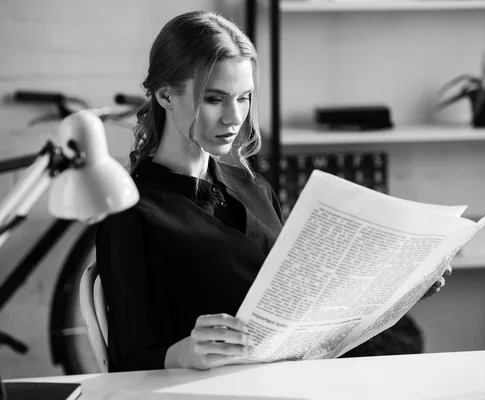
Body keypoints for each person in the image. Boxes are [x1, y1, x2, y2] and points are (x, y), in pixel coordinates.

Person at [95, 10, 451, 373]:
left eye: (244, 98)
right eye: (214, 99)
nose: (235, 118)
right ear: (166, 95)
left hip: (288, 371)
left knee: (402, 339)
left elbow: (300, 301)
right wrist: (184, 353)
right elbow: (128, 361)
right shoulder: (131, 212)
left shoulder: (253, 187)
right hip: (217, 387)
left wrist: (393, 288)